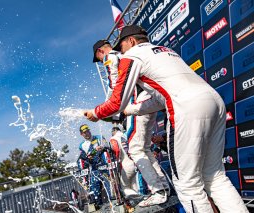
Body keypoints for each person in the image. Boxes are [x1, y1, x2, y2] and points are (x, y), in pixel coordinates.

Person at [85, 25, 249, 212]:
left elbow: (116, 101)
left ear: (131, 41)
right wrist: (128, 111)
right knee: (216, 177)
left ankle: (159, 190)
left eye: (120, 46)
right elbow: (158, 100)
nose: (119, 51)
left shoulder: (130, 56)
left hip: (185, 108)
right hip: (213, 101)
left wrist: (96, 113)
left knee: (188, 185)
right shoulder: (166, 51)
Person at [93, 39, 170, 207]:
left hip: (137, 101)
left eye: (98, 58)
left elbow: (115, 88)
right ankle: (163, 187)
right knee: (143, 148)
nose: (100, 61)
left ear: (100, 52)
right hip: (150, 98)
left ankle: (158, 191)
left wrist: (106, 111)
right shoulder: (126, 55)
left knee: (135, 148)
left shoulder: (111, 57)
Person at [78, 124, 111, 209]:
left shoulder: (99, 137)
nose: (87, 133)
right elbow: (84, 157)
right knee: (95, 191)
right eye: (84, 132)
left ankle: (113, 203)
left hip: (104, 167)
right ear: (81, 134)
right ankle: (98, 205)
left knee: (110, 188)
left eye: (88, 131)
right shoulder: (82, 145)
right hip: (94, 169)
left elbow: (106, 146)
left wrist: (102, 147)